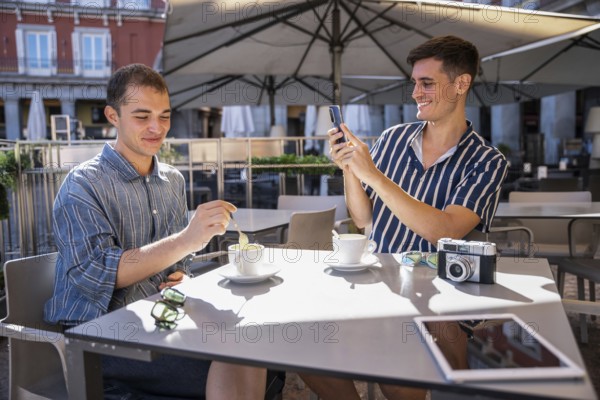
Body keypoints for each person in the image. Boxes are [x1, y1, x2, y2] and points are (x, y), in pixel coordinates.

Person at [301, 35, 508, 399]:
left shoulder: (487, 161)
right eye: (414, 83)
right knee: (302, 345)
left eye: (427, 83)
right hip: (377, 284)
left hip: (441, 298)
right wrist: (351, 169)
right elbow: (363, 219)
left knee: (399, 376)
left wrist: (375, 176)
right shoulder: (393, 139)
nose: (415, 92)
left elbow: (442, 230)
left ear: (462, 84)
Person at [44, 63, 267, 399]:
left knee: (253, 340)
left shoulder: (173, 180)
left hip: (161, 322)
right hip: (98, 339)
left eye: (164, 116)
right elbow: (97, 273)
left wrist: (181, 274)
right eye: (142, 115)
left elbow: (178, 264)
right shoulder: (82, 184)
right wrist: (187, 239)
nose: (156, 127)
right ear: (113, 116)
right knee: (235, 358)